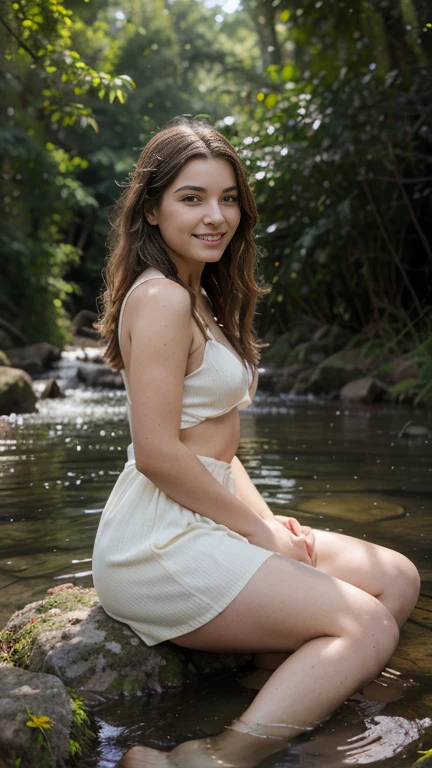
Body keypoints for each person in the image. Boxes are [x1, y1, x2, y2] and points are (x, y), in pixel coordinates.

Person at [92, 119, 420, 768]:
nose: (217, 216)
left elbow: (219, 447)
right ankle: (211, 756)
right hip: (157, 542)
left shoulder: (202, 296)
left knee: (397, 582)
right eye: (192, 198)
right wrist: (259, 533)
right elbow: (157, 452)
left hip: (206, 515)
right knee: (369, 624)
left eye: (229, 198)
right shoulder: (159, 298)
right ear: (152, 210)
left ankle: (273, 696)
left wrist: (268, 522)